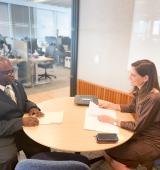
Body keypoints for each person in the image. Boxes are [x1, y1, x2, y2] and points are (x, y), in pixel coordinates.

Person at [98, 59, 160, 170]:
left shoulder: (154, 97)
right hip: (140, 134)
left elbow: (137, 126)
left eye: (133, 75)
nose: (129, 78)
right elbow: (131, 107)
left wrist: (112, 120)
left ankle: (132, 163)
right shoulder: (141, 89)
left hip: (152, 142)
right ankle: (132, 163)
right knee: (108, 147)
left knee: (111, 150)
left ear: (145, 78)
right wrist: (110, 105)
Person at [0, 56, 50, 170]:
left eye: (12, 71)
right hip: (4, 134)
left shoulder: (16, 84)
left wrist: (32, 108)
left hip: (22, 127)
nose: (12, 74)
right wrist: (21, 122)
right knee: (8, 158)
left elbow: (25, 101)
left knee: (42, 143)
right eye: (6, 73)